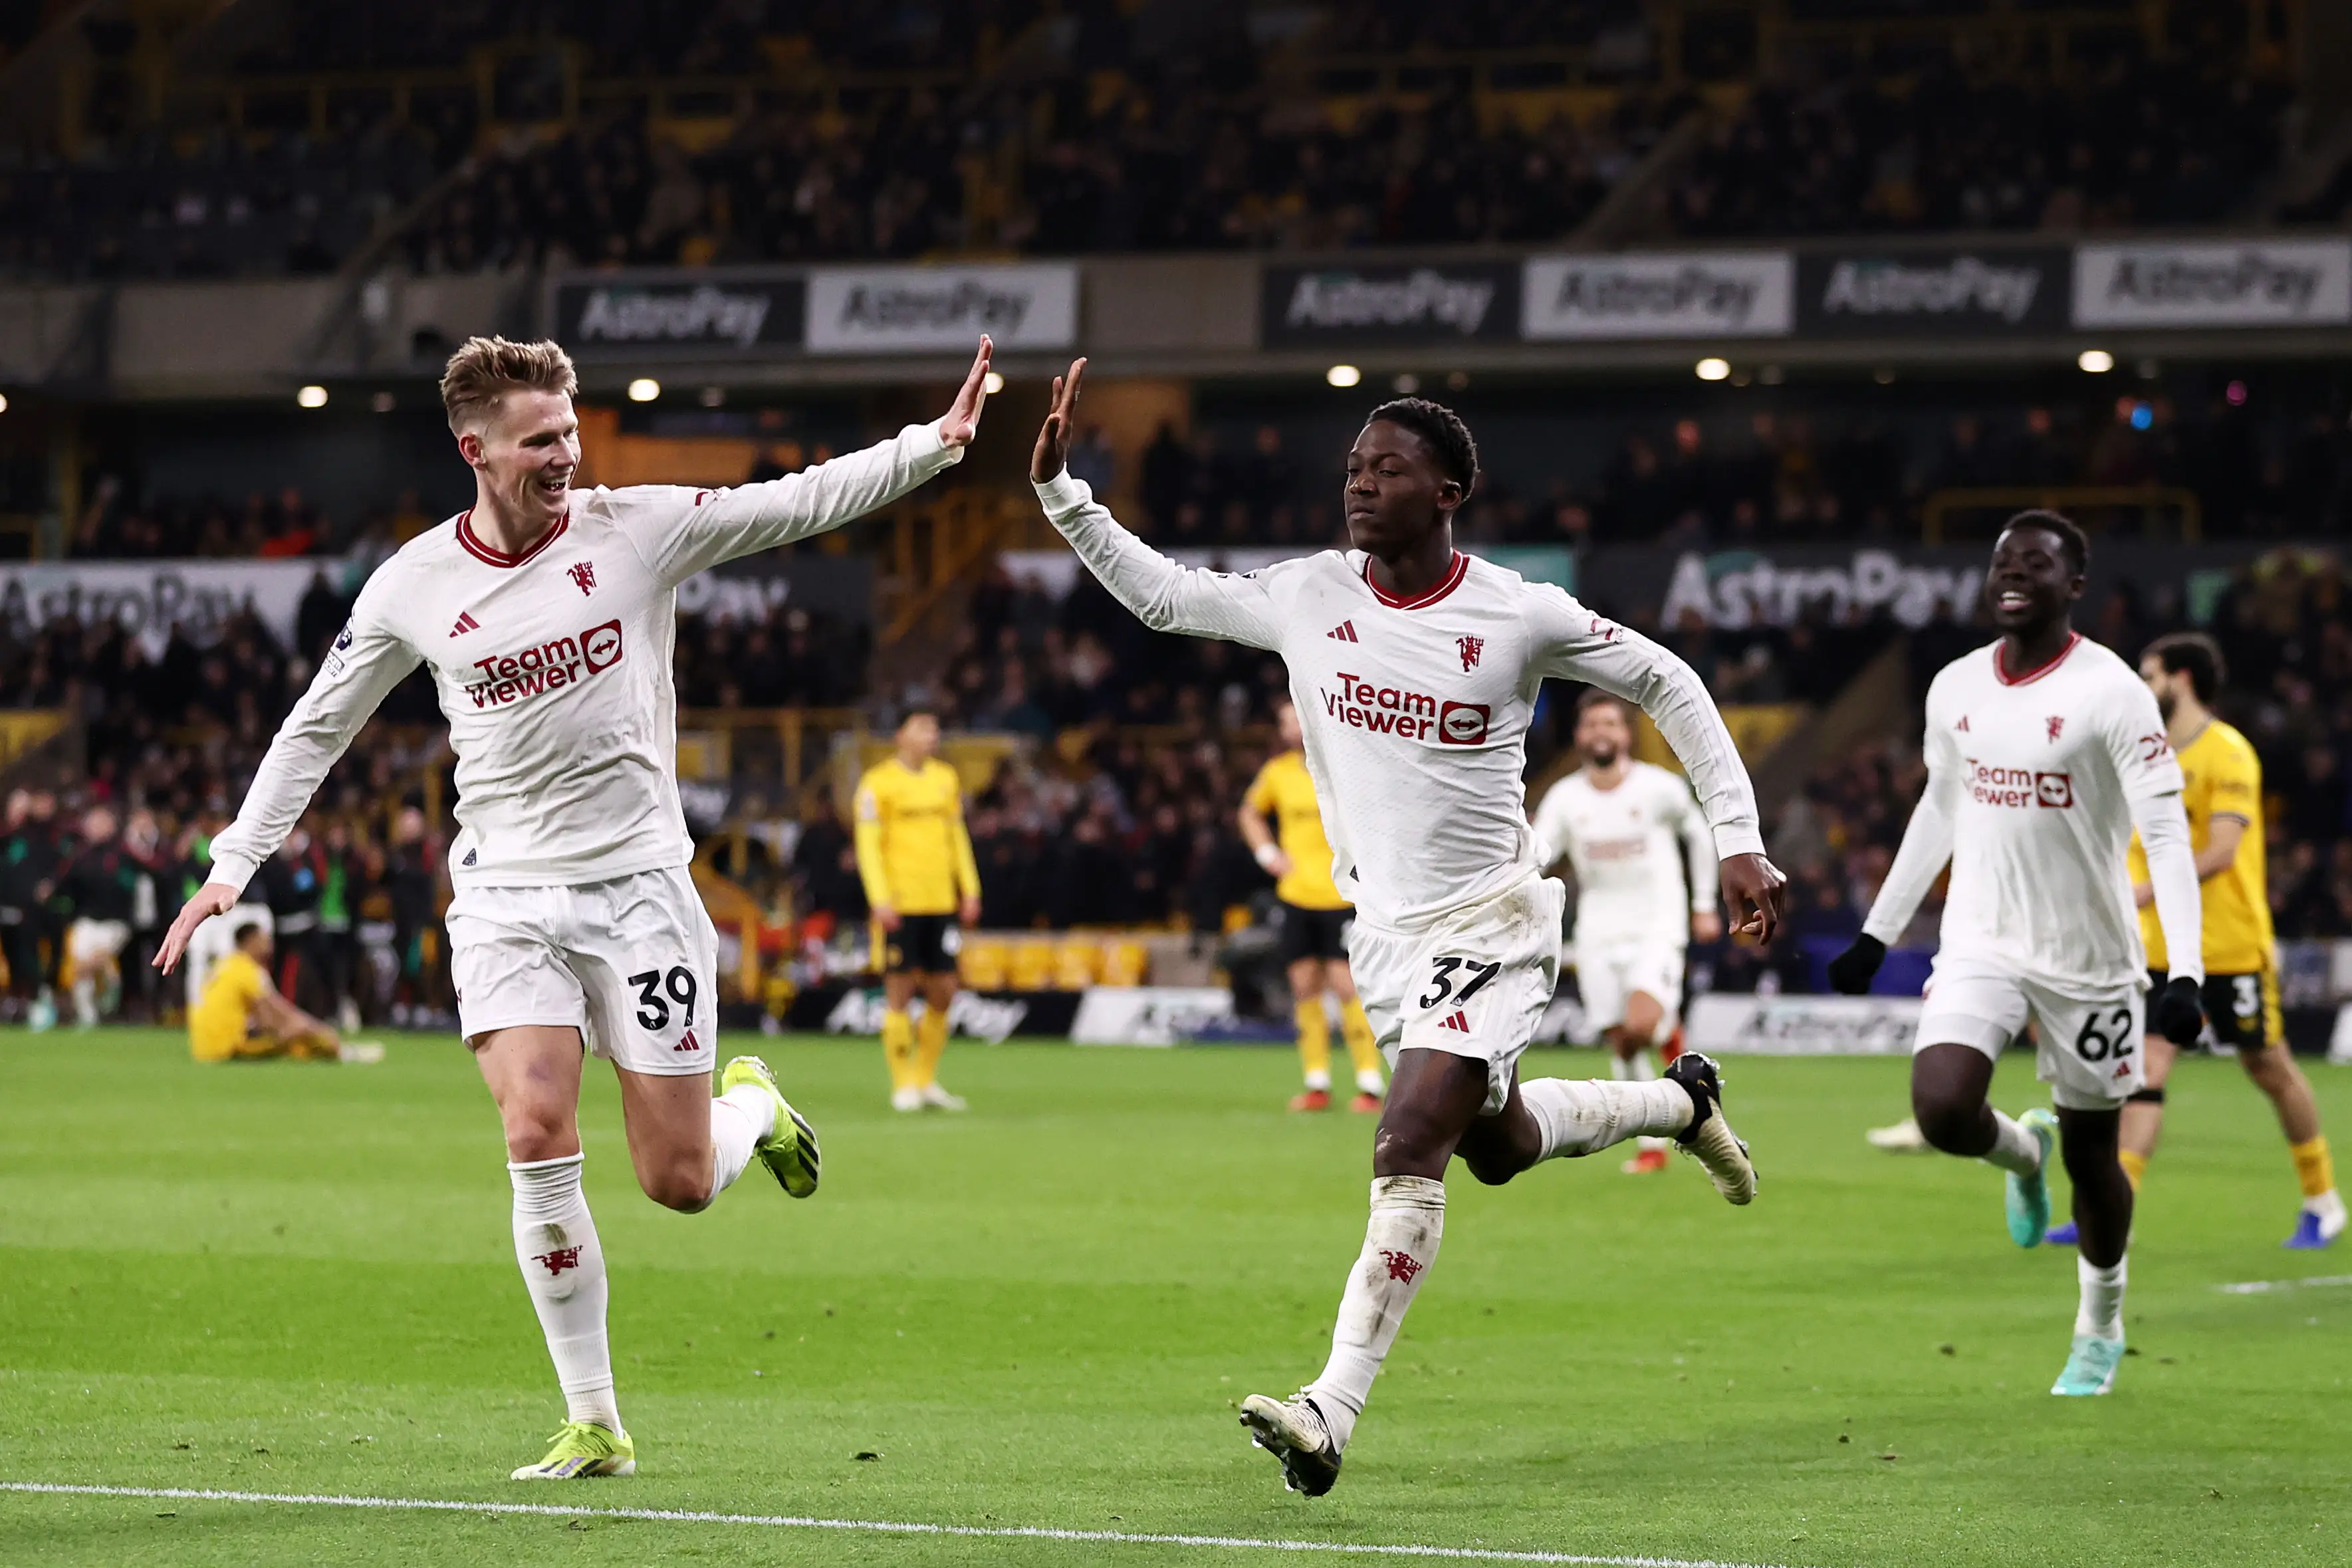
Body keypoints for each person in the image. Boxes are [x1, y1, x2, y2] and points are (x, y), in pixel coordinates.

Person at [156, 331, 995, 1482]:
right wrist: (233, 862)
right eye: (541, 438)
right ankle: (593, 1416)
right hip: (504, 893)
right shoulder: (414, 583)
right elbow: (319, 721)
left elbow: (792, 501)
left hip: (639, 888)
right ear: (475, 450)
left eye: (570, 429)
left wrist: (931, 447)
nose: (567, 452)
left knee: (679, 1181)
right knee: (534, 1126)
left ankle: (748, 1102)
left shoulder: (633, 529)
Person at [1028, 360, 1783, 1498]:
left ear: (1446, 491)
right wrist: (1064, 497)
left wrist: (1735, 832)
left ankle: (1326, 1410)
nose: (1359, 484)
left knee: (1408, 1137)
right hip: (1380, 935)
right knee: (1497, 1141)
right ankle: (1677, 1102)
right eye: (1351, 467)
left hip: (1493, 918)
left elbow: (1665, 677)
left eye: (1387, 468)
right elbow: (1165, 596)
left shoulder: (1515, 612)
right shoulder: (1309, 593)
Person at [1829, 512, 2206, 1399]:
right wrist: (1877, 932)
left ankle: (2098, 1324)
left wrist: (2181, 971)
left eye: (2034, 563)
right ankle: (2017, 1156)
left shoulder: (2111, 691)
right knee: (1939, 1106)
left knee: (2094, 1157)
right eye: (2001, 561)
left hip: (2089, 959)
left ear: (2073, 584)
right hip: (1982, 937)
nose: (2011, 575)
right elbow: (1938, 809)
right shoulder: (1955, 684)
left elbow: (2164, 833)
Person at [2044, 633, 2342, 1251]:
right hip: (2156, 950)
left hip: (2230, 947)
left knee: (2269, 1066)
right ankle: (2111, 1211)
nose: (2139, 685)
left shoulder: (2227, 752)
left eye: (2148, 674)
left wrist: (2146, 892)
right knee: (2144, 1071)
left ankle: (2323, 1199)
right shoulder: (2140, 753)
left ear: (2180, 679)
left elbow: (2223, 851)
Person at [1531, 689, 1723, 1175]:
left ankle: (1686, 1094)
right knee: (1621, 1038)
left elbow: (1699, 836)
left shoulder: (1658, 788)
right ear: (1578, 735)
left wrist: (1703, 904)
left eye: (1610, 724)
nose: (1601, 732)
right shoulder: (1566, 796)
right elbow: (1539, 854)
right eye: (1591, 724)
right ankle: (1655, 1140)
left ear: (1627, 733)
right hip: (1597, 927)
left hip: (1657, 922)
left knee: (1640, 1025)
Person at [1239, 700, 1386, 1113]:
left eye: (1298, 720)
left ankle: (1369, 1083)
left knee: (1347, 986)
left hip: (1340, 897)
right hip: (1296, 896)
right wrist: (1268, 855)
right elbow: (1249, 813)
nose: (1293, 729)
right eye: (1286, 722)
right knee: (1304, 986)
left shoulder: (1345, 769)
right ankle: (1317, 1083)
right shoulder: (1278, 773)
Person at [854, 709, 981, 1111]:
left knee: (944, 990)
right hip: (901, 903)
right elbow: (868, 845)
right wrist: (880, 899)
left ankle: (926, 1079)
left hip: (941, 901)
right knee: (900, 990)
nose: (932, 736)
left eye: (935, 729)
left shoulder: (946, 779)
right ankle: (903, 1082)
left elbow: (957, 835)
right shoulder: (878, 784)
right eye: (923, 728)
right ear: (900, 735)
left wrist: (970, 888)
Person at [189, 920, 382, 1064]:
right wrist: (316, 1029)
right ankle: (343, 1052)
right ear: (250, 942)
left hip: (203, 1048)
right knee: (298, 1030)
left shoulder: (224, 965)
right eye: (264, 940)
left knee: (289, 1036)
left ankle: (338, 1051)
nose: (269, 945)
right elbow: (277, 1012)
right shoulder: (248, 971)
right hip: (227, 1047)